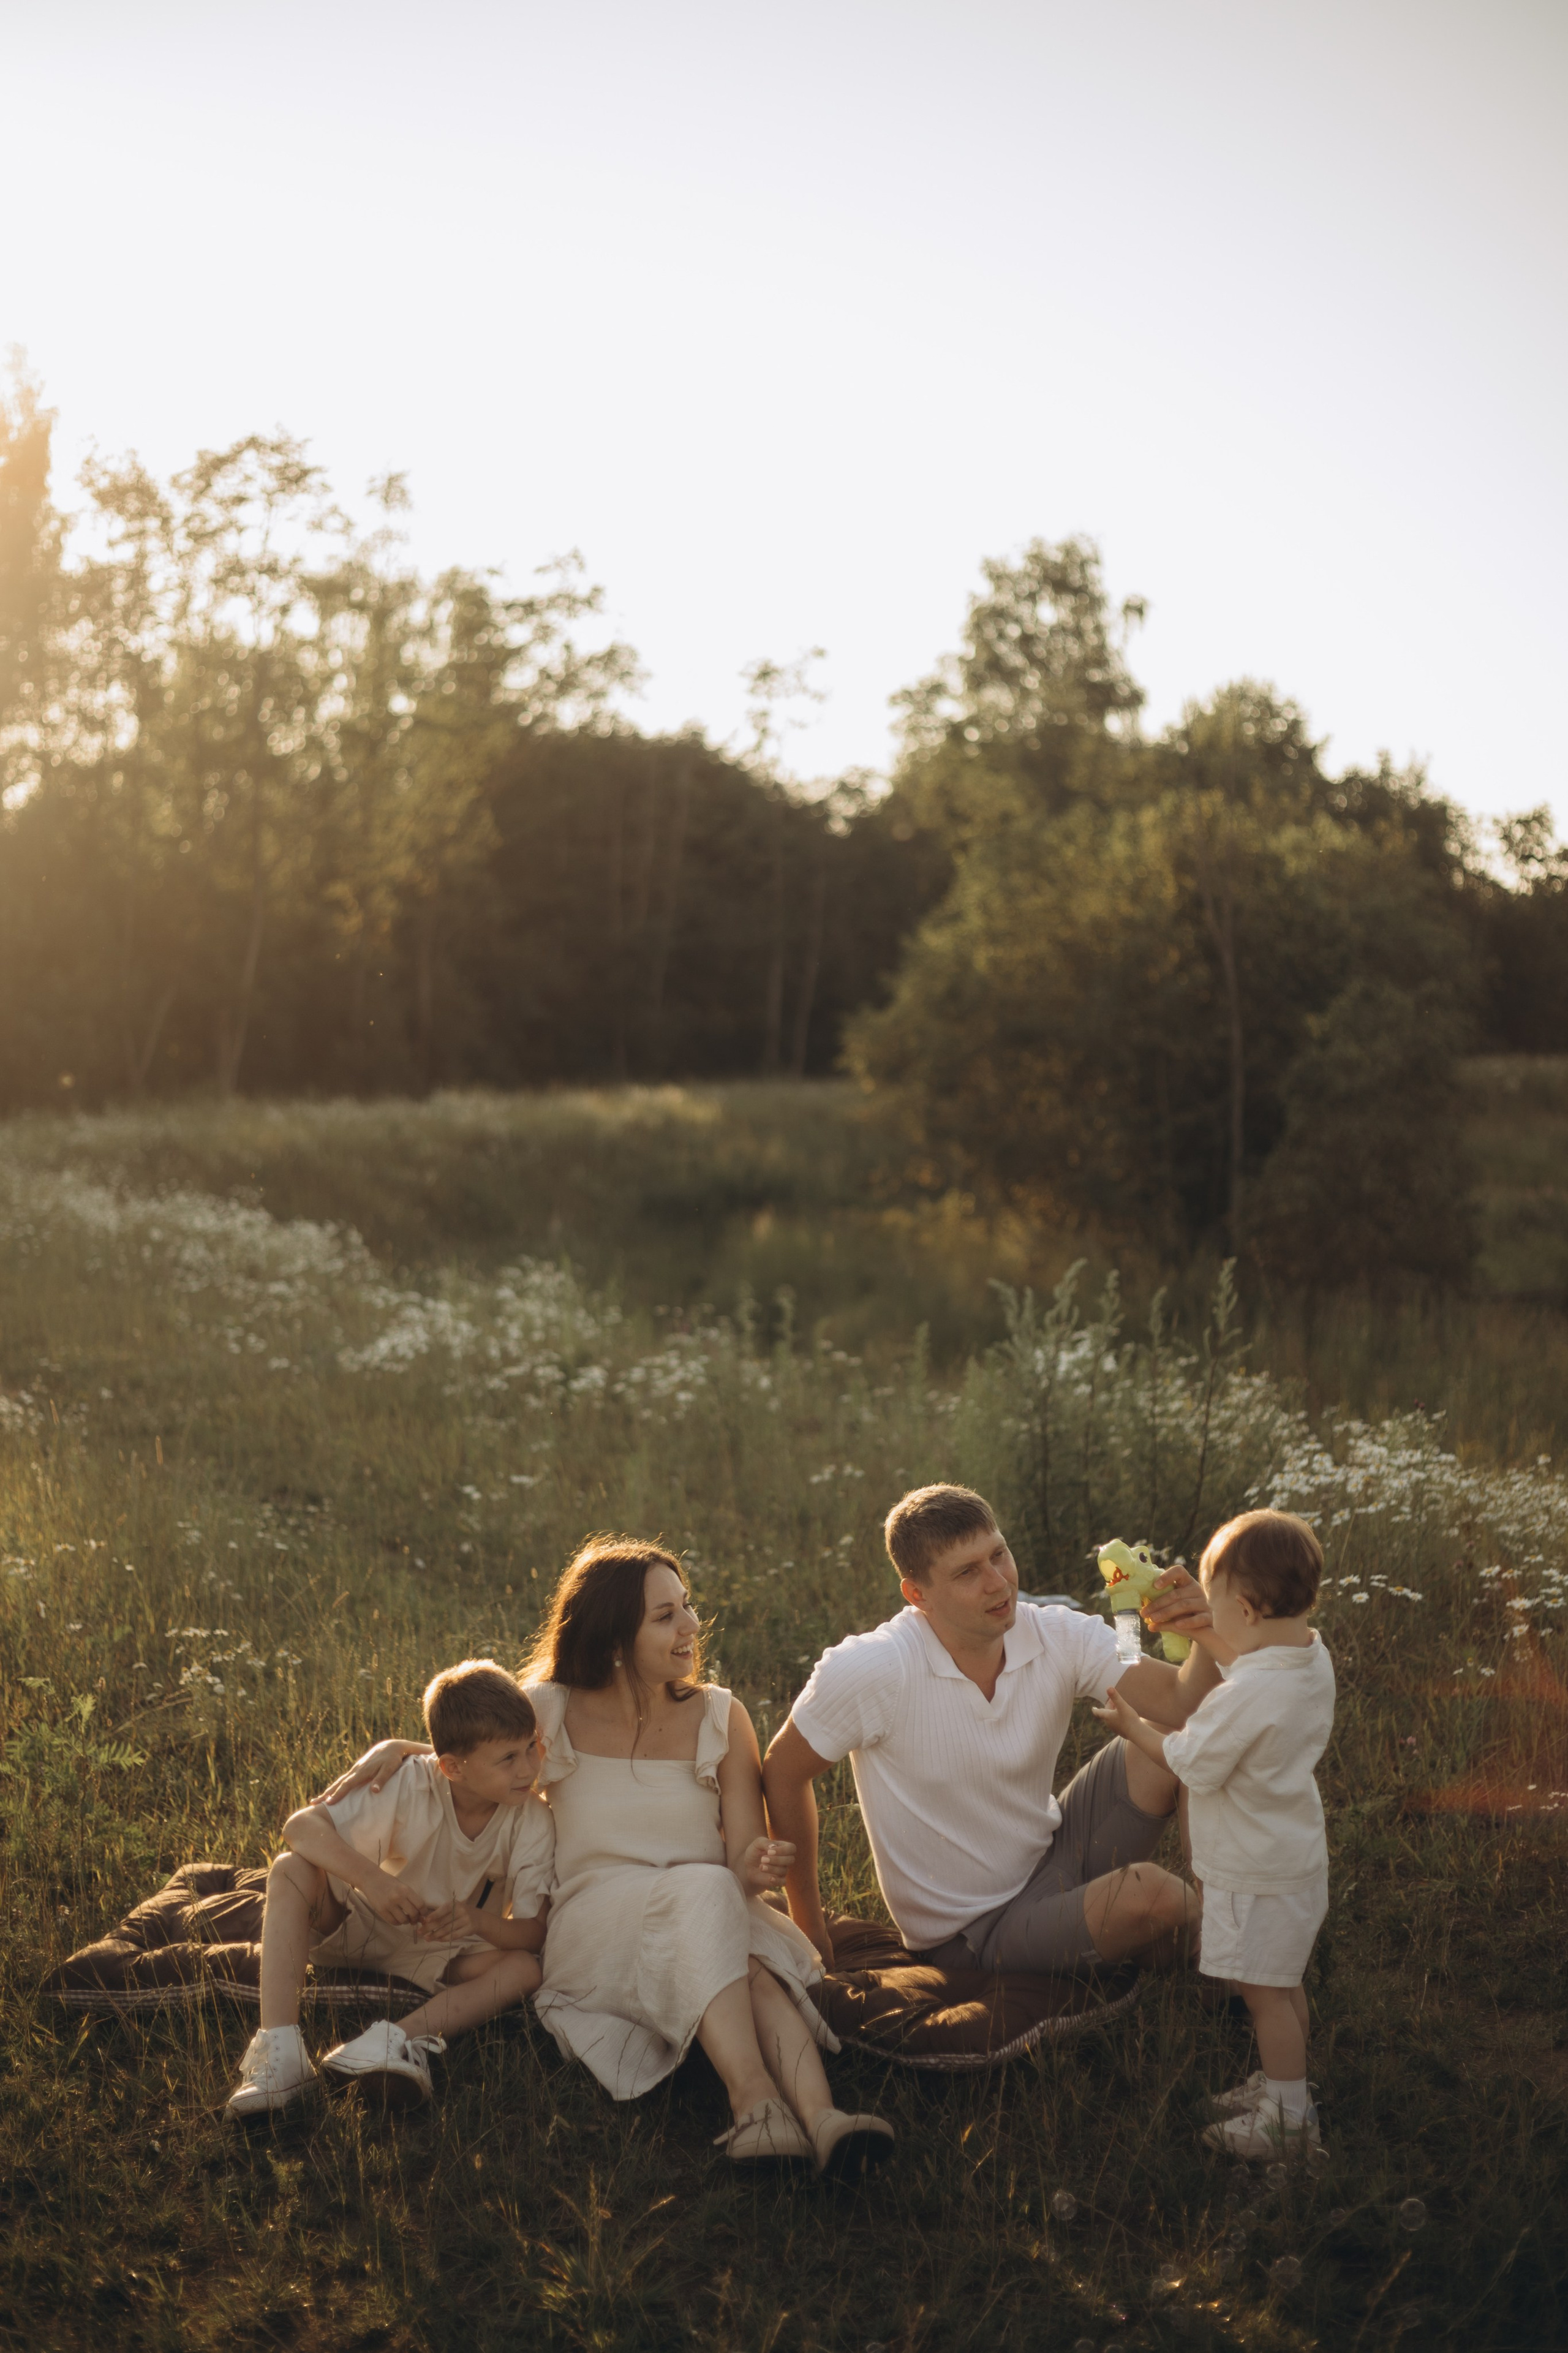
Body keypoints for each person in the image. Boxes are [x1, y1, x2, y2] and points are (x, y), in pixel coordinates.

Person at [324, 1539, 895, 2177]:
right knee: (714, 1908)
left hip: (708, 1903)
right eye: (665, 1616)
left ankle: (822, 2119)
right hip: (593, 1923)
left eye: (687, 1606)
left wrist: (754, 1864)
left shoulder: (721, 1715)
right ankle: (754, 2101)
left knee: (747, 1956)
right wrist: (401, 1747)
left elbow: (740, 1861)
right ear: (615, 1640)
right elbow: (477, 1753)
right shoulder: (550, 1708)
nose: (691, 1625)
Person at [763, 1483, 1220, 1979]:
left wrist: (1203, 1631)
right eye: (967, 1572)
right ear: (918, 1594)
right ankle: (1204, 1952)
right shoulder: (876, 1668)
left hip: (1054, 1851)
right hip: (974, 1933)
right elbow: (783, 1771)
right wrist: (810, 1929)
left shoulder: (1056, 1632)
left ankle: (1223, 1959)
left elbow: (1180, 1701)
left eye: (998, 1554)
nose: (998, 1582)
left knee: (1189, 1733)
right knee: (1159, 1897)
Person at [1095, 1509, 1335, 2159]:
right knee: (1284, 1982)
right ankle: (1287, 2087)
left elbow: (1188, 1759)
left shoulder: (1241, 1699)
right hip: (1294, 1859)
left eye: (1216, 1603)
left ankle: (1288, 2123)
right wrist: (1205, 1631)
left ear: (1248, 1610)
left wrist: (1131, 1725)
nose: (1210, 1613)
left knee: (1263, 1998)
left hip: (1250, 1870)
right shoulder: (1308, 1656)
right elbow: (1251, 1666)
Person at [226, 1659, 552, 2118]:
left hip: (447, 1953)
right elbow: (301, 1826)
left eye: (531, 1747)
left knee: (524, 1970)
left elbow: (534, 1933)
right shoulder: (411, 1780)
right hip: (357, 1926)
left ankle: (389, 2042)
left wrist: (478, 1921)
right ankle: (280, 2058)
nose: (528, 1768)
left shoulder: (533, 1819)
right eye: (509, 1758)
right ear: (452, 1768)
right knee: (290, 1869)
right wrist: (373, 1881)